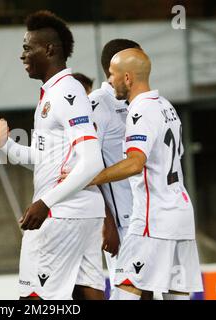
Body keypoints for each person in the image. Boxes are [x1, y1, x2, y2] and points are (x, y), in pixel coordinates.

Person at [0, 10, 106, 300]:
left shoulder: (66, 91)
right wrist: (7, 144)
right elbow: (46, 163)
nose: (22, 55)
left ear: (50, 49)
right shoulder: (54, 93)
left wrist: (45, 202)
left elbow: (92, 161)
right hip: (82, 212)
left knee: (34, 299)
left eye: (28, 48)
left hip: (60, 213)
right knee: (86, 293)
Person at [89, 48, 203, 300]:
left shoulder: (140, 112)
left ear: (127, 78)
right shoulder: (166, 106)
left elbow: (135, 163)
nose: (110, 81)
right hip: (181, 215)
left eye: (112, 74)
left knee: (125, 292)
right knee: (177, 295)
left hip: (153, 218)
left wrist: (90, 178)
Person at [89, 39, 155, 300]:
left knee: (147, 293)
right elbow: (87, 168)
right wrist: (107, 224)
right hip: (121, 223)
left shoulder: (136, 102)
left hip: (145, 217)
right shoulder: (97, 104)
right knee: (130, 294)